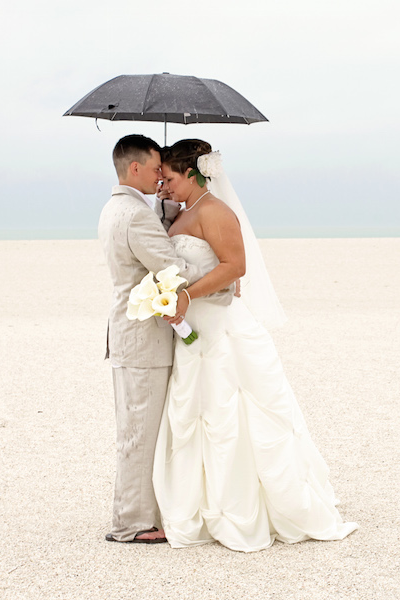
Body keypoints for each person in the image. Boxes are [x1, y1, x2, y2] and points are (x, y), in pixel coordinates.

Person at [152, 139, 358, 552]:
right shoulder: (184, 211)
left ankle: (249, 507)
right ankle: (203, 504)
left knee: (236, 413)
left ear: (193, 173)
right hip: (196, 330)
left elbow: (235, 267)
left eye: (171, 178)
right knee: (199, 413)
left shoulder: (215, 211)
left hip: (220, 325)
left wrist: (188, 295)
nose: (166, 185)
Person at [98, 135, 233, 543]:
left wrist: (168, 209)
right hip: (142, 339)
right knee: (139, 430)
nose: (161, 176)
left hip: (133, 335)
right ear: (134, 168)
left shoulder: (119, 206)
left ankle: (143, 511)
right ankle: (131, 524)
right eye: (156, 168)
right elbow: (171, 267)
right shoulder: (135, 215)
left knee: (140, 428)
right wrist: (223, 277)